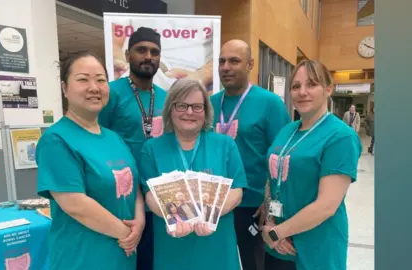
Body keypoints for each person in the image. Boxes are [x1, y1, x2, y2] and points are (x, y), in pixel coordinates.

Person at [36, 51, 145, 270]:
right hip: (82, 257)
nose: (94, 87)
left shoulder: (114, 138)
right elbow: (75, 204)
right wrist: (127, 233)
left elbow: (134, 185)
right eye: (83, 79)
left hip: (122, 256)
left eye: (101, 80)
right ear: (65, 88)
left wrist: (140, 223)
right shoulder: (56, 140)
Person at [261, 59, 362, 270]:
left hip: (315, 247)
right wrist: (269, 222)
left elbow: (327, 206)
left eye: (312, 84)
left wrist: (277, 232)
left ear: (328, 89)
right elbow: (273, 179)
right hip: (276, 245)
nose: (302, 92)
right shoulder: (287, 131)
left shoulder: (340, 136)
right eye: (296, 86)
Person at [139, 79, 248, 270]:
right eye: (181, 105)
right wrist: (176, 218)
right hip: (172, 248)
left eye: (197, 107)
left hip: (217, 247)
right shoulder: (152, 149)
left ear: (206, 111)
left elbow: (237, 191)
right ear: (170, 110)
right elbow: (150, 195)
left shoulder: (225, 145)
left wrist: (207, 215)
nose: (189, 112)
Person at [210, 39, 291, 270]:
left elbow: (282, 158)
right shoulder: (210, 104)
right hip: (215, 204)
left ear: (250, 64)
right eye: (222, 61)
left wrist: (269, 201)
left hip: (254, 205)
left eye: (234, 61)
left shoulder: (270, 103)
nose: (226, 67)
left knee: (253, 264)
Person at [99, 26, 167, 270]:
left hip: (160, 194)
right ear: (128, 55)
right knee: (125, 258)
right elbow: (98, 140)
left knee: (154, 259)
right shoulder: (111, 93)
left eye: (154, 51)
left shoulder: (167, 98)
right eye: (141, 50)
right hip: (122, 197)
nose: (148, 56)